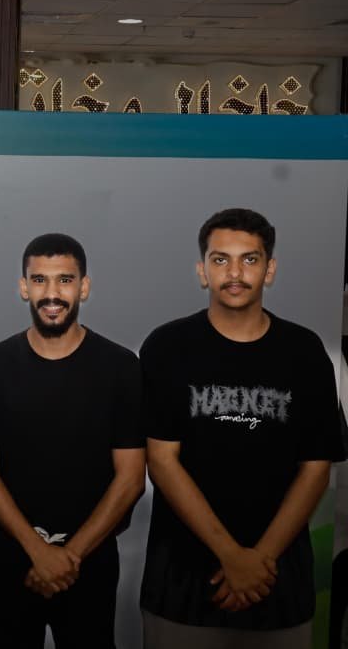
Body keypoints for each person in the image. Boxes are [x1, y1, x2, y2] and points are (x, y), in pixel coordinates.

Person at [139, 208, 346, 649]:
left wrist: (258, 562)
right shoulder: (167, 346)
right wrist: (231, 556)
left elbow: (316, 468)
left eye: (249, 259)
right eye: (220, 260)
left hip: (278, 584)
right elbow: (161, 460)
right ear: (202, 271)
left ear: (269, 270)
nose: (235, 273)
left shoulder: (305, 352)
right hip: (181, 584)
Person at [0, 233, 145, 649]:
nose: (52, 293)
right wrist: (39, 552)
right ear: (24, 287)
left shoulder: (120, 367)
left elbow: (130, 478)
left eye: (65, 280)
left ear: (84, 287)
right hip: (14, 560)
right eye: (40, 280)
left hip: (92, 562)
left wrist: (69, 556)